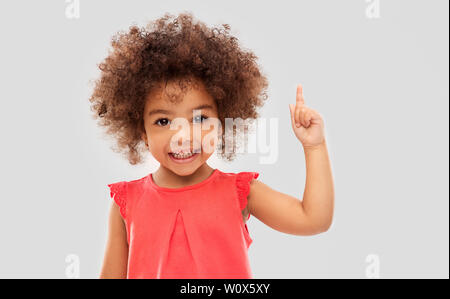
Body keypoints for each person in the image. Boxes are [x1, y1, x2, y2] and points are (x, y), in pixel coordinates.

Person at [89, 12, 334, 279]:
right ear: (142, 132)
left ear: (222, 121)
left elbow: (313, 219)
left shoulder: (240, 192)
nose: (182, 135)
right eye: (162, 121)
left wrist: (315, 147)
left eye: (200, 118)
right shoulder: (127, 202)